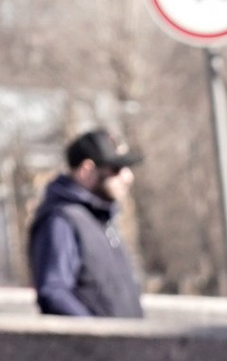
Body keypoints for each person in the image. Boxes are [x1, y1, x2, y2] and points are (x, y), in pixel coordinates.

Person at [28, 131, 146, 319]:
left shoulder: (100, 218)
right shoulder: (61, 220)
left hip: (127, 338)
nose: (128, 177)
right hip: (98, 339)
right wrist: (98, 332)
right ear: (86, 170)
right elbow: (53, 292)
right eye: (116, 169)